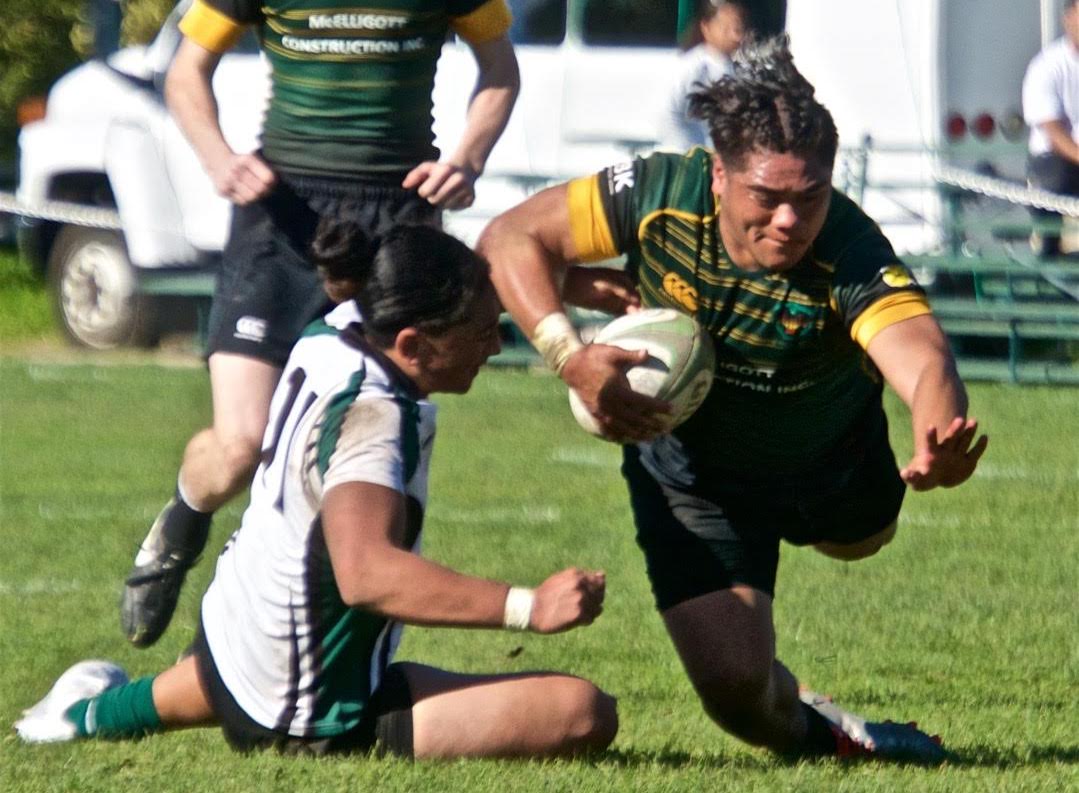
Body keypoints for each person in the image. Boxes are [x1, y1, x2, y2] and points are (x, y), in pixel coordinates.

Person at [477, 36, 988, 764]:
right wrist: (569, 354)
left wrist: (934, 431)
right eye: (767, 197)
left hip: (825, 460)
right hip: (692, 473)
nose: (788, 219)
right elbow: (509, 236)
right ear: (717, 174)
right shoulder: (655, 193)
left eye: (808, 196)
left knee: (860, 541)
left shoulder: (848, 247)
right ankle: (836, 737)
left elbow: (921, 353)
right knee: (735, 693)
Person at [17, 222, 617, 759]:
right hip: (303, 707)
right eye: (483, 332)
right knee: (583, 712)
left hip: (238, 630)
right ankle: (119, 713)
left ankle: (84, 715)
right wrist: (527, 607)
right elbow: (367, 575)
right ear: (412, 344)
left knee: (252, 659)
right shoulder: (376, 418)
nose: (493, 347)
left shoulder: (333, 329)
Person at [121, 0, 521, 648]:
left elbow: (499, 68)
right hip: (282, 215)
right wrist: (218, 157)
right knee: (240, 444)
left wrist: (467, 159)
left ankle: (323, 629)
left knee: (381, 429)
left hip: (399, 211)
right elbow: (186, 70)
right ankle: (183, 520)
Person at [1022, 0, 1079, 257]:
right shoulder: (1047, 66)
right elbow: (1054, 134)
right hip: (1054, 162)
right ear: (1068, 18)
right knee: (1057, 177)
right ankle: (1049, 254)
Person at [656, 0, 749, 152]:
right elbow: (666, 114)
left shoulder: (740, 70)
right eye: (726, 28)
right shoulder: (693, 67)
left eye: (738, 28)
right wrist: (693, 154)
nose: (735, 35)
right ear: (706, 27)